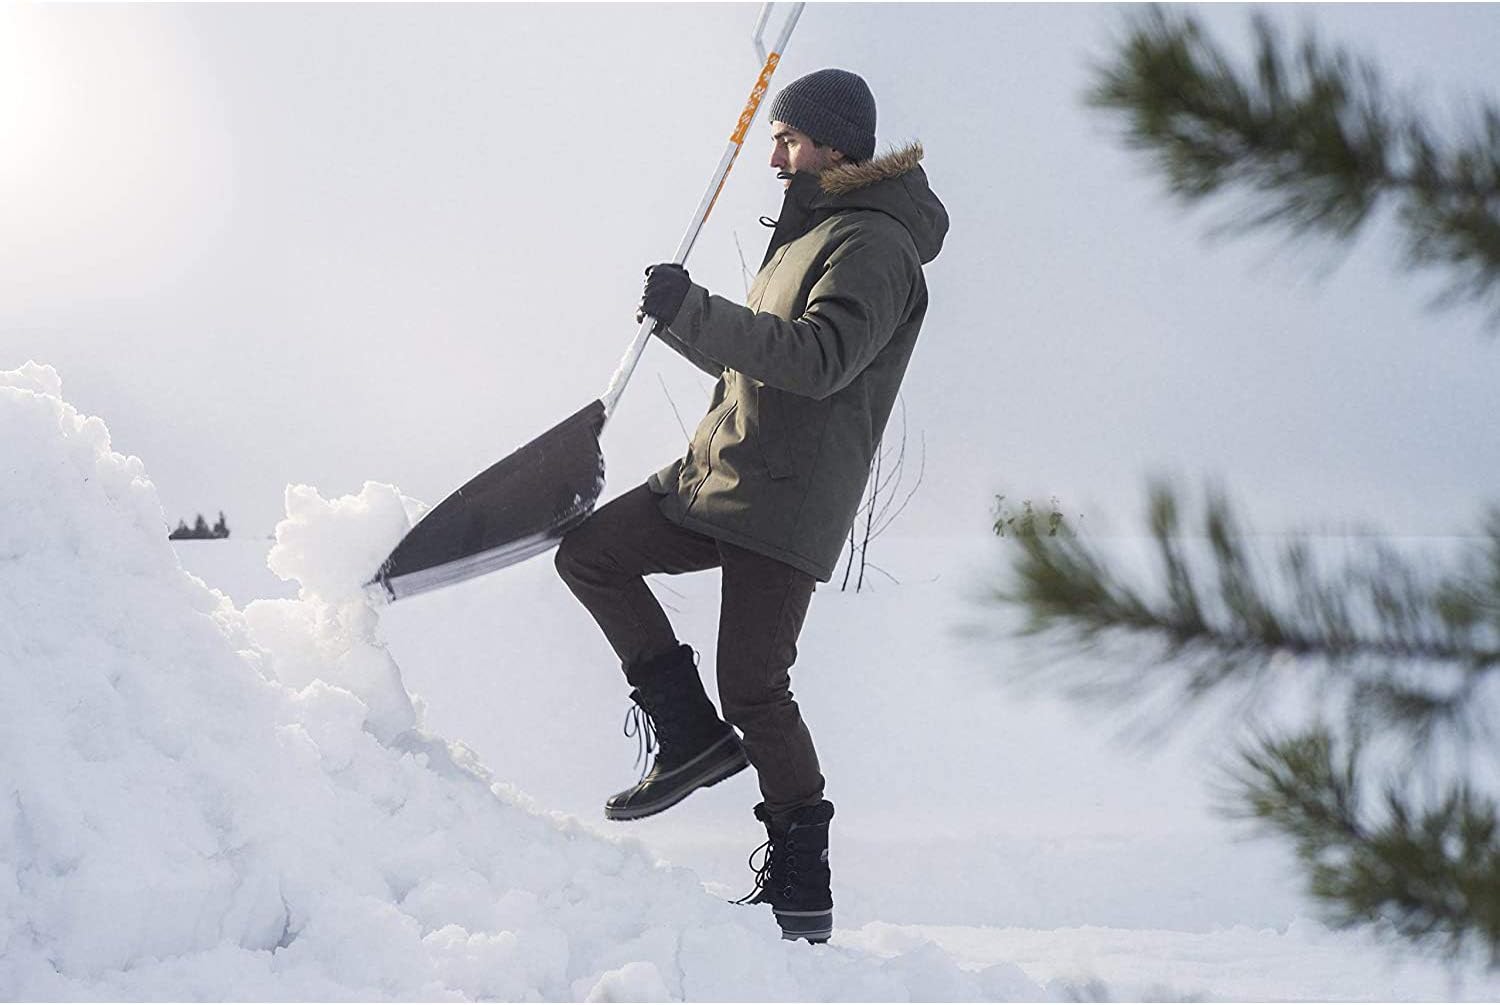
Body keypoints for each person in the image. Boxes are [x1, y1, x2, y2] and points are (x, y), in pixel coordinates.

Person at [554, 67, 948, 944]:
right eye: (774, 137)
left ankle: (803, 881)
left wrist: (700, 307)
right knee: (591, 553)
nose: (774, 155)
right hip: (725, 473)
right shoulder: (811, 233)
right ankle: (689, 734)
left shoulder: (876, 244)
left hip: (788, 498)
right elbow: (754, 366)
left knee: (756, 687)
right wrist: (683, 321)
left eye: (789, 138)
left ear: (835, 144)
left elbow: (817, 362)